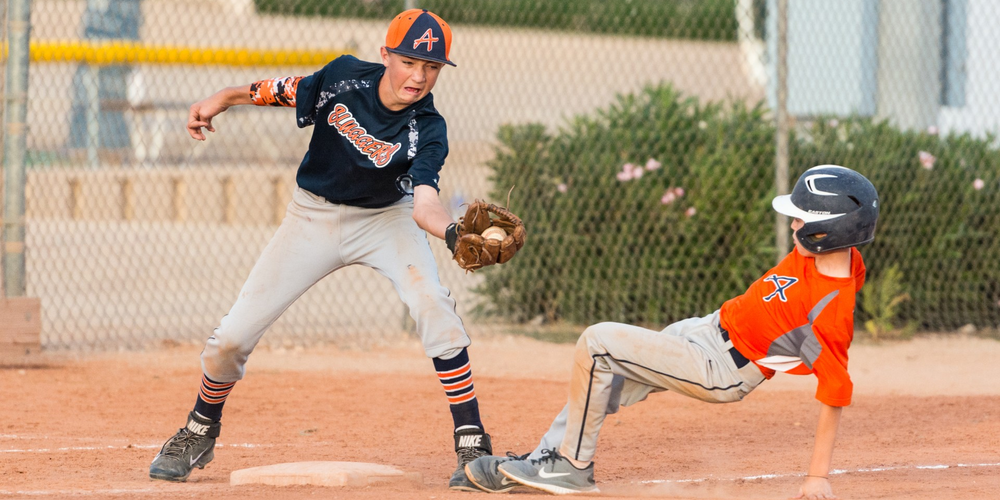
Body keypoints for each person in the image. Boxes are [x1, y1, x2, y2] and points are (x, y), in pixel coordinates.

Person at [149, 9, 495, 491]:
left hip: (385, 219)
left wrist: (455, 234)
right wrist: (224, 97)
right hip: (311, 215)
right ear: (385, 55)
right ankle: (199, 428)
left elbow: (424, 205)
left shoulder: (427, 127)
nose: (419, 76)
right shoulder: (343, 78)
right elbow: (283, 90)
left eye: (432, 67)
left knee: (433, 303)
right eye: (409, 61)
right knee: (232, 335)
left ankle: (472, 440)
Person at [464, 165, 879, 499]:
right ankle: (546, 460)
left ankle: (569, 467)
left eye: (801, 219)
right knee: (606, 379)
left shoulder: (831, 311)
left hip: (722, 368)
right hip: (707, 328)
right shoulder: (833, 256)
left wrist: (817, 478)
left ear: (832, 231)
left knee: (598, 342)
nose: (792, 226)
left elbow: (834, 392)